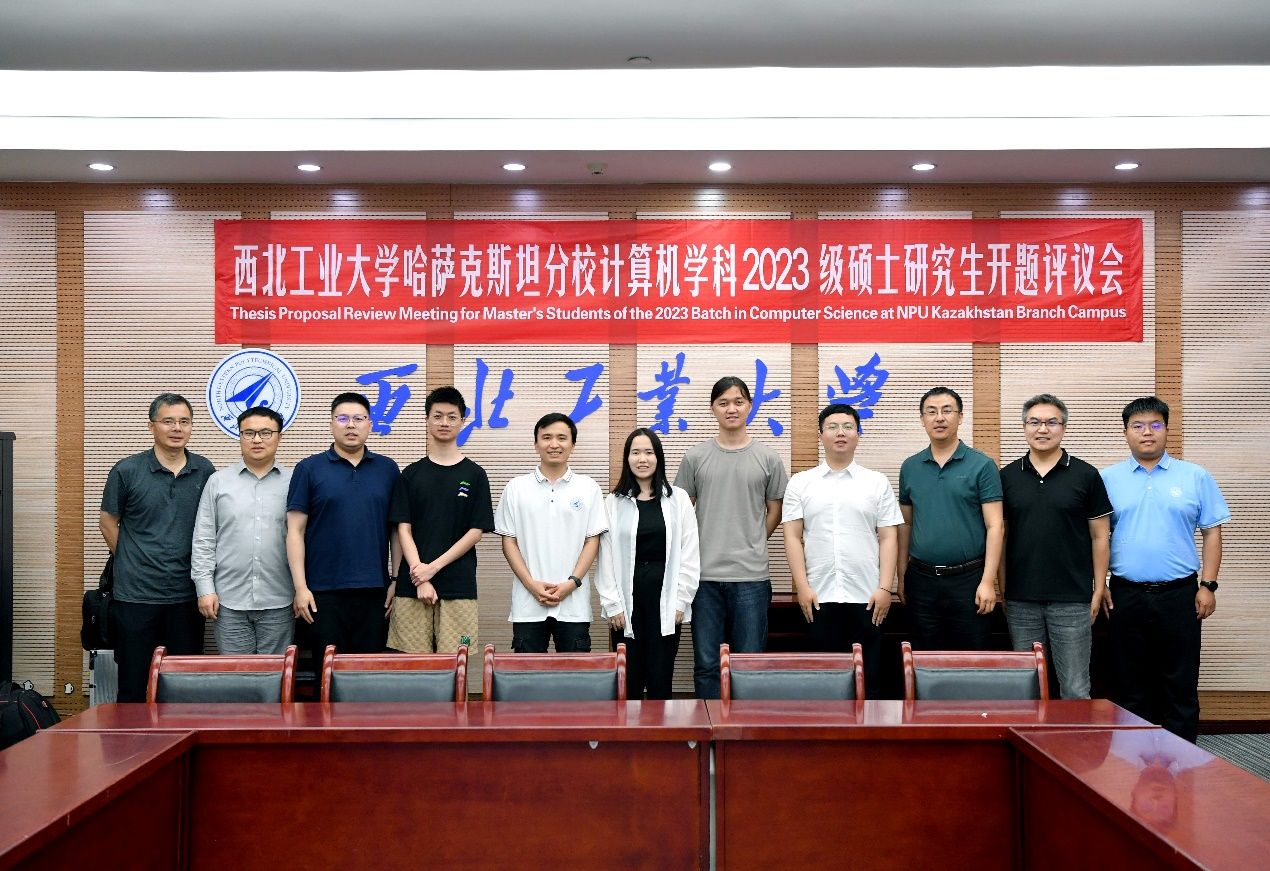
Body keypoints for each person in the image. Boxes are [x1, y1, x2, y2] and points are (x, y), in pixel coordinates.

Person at [1101, 396, 1229, 742]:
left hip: (1180, 595)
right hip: (1125, 595)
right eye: (1138, 426)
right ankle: (1131, 758)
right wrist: (1100, 584)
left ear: (1167, 430)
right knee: (1129, 683)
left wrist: (1209, 585)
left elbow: (1212, 531)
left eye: (1155, 425)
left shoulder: (1195, 476)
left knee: (1180, 683)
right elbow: (1096, 536)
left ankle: (1183, 759)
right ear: (1125, 433)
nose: (1147, 432)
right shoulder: (1107, 479)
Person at [674, 376, 788, 698]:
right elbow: (681, 512)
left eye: (738, 402)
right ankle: (709, 726)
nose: (731, 409)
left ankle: (744, 729)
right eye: (723, 403)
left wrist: (755, 539)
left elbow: (776, 509)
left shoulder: (768, 458)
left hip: (751, 577)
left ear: (750, 406)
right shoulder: (695, 457)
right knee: (707, 664)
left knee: (749, 665)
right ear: (713, 408)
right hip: (703, 579)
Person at [99, 393, 215, 702]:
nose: (177, 428)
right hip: (135, 598)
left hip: (187, 597)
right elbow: (108, 523)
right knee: (134, 687)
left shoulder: (205, 470)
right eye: (168, 421)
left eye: (184, 421)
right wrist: (132, 560)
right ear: (152, 426)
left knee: (184, 689)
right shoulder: (127, 470)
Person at [782, 404, 902, 692]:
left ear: (858, 434)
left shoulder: (876, 482)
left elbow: (888, 537)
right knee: (825, 683)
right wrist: (802, 587)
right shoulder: (801, 483)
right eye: (833, 427)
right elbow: (792, 537)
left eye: (848, 427)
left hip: (868, 596)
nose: (840, 433)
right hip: (818, 596)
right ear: (820, 434)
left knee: (869, 680)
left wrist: (885, 588)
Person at [1000, 394, 1112, 699]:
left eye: (1051, 422)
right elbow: (1001, 536)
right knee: (1027, 690)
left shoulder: (1086, 475)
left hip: (1072, 599)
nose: (1042, 429)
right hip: (1021, 599)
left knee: (1075, 688)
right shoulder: (1007, 476)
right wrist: (1003, 588)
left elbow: (1100, 536)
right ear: (1024, 427)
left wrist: (1099, 587)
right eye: (1034, 422)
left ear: (1063, 427)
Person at [286, 392, 400, 654]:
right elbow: (294, 531)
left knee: (368, 670)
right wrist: (300, 588)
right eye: (343, 418)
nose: (351, 425)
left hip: (375, 591)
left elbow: (396, 530)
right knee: (326, 669)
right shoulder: (308, 468)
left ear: (370, 425)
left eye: (358, 419)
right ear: (331, 424)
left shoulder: (388, 469)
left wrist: (396, 580)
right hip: (321, 593)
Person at [387, 386, 494, 655]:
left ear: (462, 421)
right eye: (437, 416)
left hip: (459, 585)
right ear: (427, 420)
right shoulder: (410, 474)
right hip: (412, 586)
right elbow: (403, 529)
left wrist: (432, 569)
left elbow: (475, 532)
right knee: (413, 667)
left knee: (457, 663)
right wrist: (420, 576)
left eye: (451, 416)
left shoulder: (475, 474)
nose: (444, 422)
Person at [596, 427, 700, 699]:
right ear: (627, 458)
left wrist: (681, 601)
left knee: (660, 676)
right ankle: (628, 728)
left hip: (666, 599)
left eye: (649, 452)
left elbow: (689, 553)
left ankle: (662, 727)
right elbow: (605, 556)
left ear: (658, 458)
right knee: (628, 678)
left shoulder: (678, 499)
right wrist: (612, 604)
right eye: (635, 453)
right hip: (626, 601)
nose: (642, 459)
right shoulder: (613, 502)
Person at [897, 386, 1003, 650]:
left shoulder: (982, 465)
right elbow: (906, 524)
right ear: (922, 419)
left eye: (947, 411)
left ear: (960, 416)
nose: (939, 418)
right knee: (923, 658)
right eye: (931, 412)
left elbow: (995, 526)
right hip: (921, 580)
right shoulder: (910, 467)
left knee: (971, 659)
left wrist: (988, 581)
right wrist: (901, 576)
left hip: (969, 580)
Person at [494, 413, 607, 652]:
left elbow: (592, 540)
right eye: (546, 437)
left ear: (573, 444)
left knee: (575, 672)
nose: (554, 444)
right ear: (536, 444)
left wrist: (572, 583)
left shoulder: (589, 488)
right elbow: (509, 542)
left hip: (574, 606)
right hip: (527, 605)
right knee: (527, 674)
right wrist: (531, 584)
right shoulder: (516, 488)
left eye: (561, 438)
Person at [191, 406, 294, 654]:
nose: (257, 439)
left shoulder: (295, 482)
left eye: (266, 433)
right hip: (228, 602)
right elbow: (204, 539)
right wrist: (205, 589)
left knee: (276, 674)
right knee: (235, 674)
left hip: (280, 600)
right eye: (249, 433)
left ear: (279, 437)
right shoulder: (218, 481)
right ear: (239, 436)